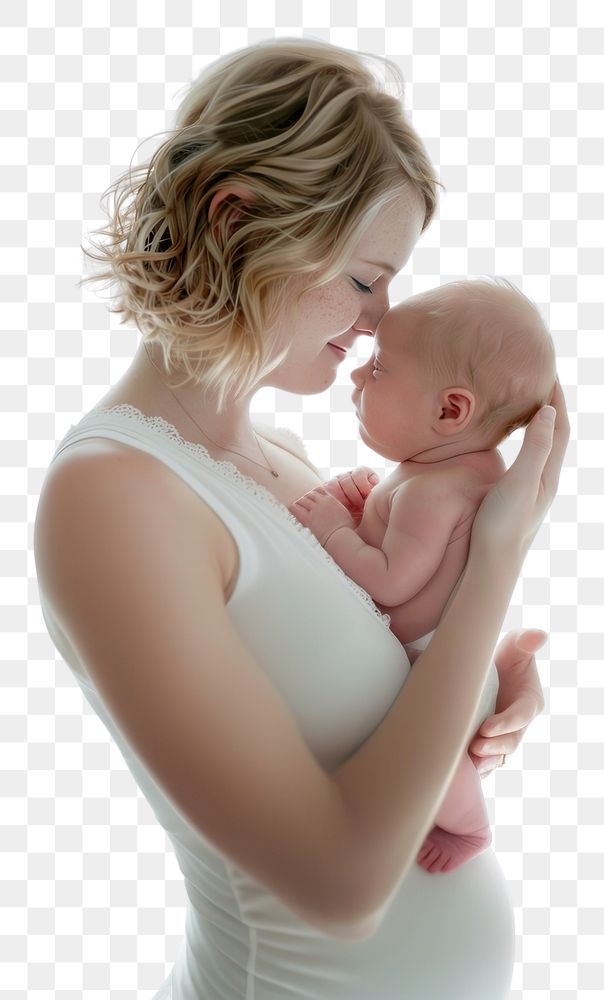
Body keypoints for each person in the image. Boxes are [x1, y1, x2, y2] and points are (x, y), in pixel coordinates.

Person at [32, 37, 569, 1000]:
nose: (379, 320)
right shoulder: (114, 496)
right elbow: (341, 888)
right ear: (234, 220)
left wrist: (490, 688)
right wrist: (495, 565)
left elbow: (369, 722)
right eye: (365, 278)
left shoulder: (287, 463)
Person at [288, 277, 557, 877]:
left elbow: (388, 584)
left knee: (441, 763)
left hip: (434, 667)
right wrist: (362, 514)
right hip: (443, 657)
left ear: (449, 410)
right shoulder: (450, 473)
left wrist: (336, 529)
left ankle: (470, 826)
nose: (358, 376)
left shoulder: (433, 491)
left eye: (379, 369)